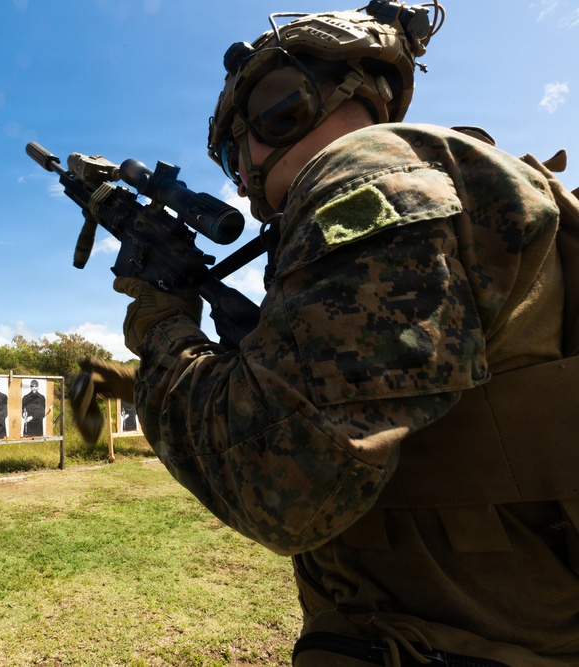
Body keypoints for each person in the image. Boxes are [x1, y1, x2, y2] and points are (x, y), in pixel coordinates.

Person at [111, 3, 579, 664]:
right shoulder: (450, 175)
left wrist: (161, 325)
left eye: (233, 153)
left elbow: (273, 479)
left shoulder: (364, 175)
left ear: (280, 112)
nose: (241, 180)